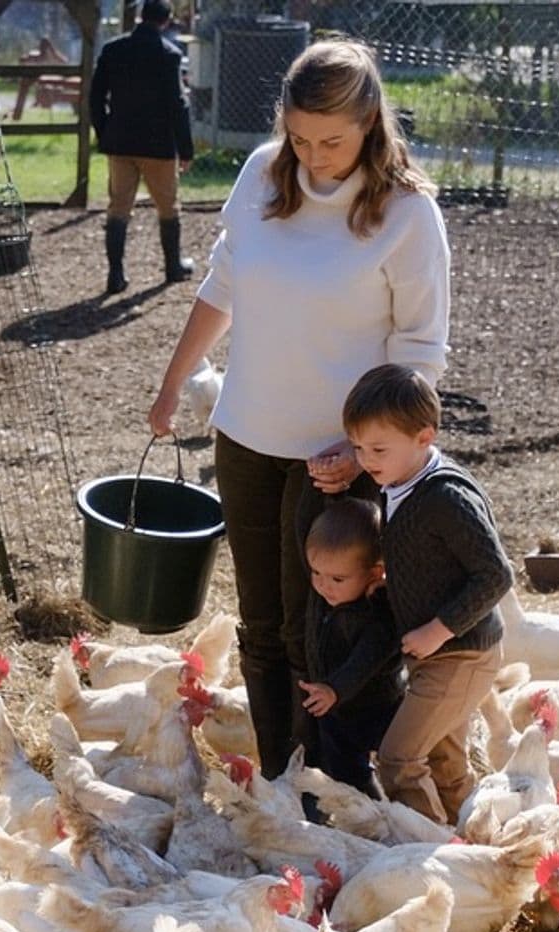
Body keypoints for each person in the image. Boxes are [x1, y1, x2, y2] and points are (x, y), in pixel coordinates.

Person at [146, 40, 450, 780]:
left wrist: (367, 452)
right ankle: (280, 782)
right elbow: (221, 286)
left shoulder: (409, 214)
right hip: (249, 433)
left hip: (339, 457)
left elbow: (420, 350)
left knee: (322, 628)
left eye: (333, 141)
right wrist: (172, 382)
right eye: (301, 137)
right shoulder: (260, 174)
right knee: (260, 626)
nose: (315, 156)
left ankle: (332, 783)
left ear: (371, 120)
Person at [343, 363, 512, 823]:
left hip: (460, 654)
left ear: (424, 437)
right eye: (357, 447)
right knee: (444, 761)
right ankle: (477, 843)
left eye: (378, 448)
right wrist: (393, 577)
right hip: (439, 653)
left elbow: (496, 575)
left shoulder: (445, 498)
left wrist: (439, 630)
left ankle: (427, 848)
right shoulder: (398, 480)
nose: (366, 460)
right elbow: (427, 554)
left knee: (398, 758)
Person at [88, 0, 196, 294]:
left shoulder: (113, 50)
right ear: (166, 20)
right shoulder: (169, 55)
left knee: (119, 207)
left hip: (120, 142)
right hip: (158, 145)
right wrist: (185, 149)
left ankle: (115, 273)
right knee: (168, 207)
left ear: (139, 17)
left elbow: (96, 97)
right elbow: (178, 105)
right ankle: (173, 267)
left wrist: (104, 132)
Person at [297, 498, 402, 796]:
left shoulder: (377, 615)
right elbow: (301, 528)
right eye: (316, 572)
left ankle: (386, 814)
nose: (322, 585)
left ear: (375, 574)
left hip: (375, 706)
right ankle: (360, 814)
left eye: (337, 579)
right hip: (336, 707)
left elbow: (366, 659)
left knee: (389, 764)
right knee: (344, 771)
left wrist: (335, 688)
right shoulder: (328, 594)